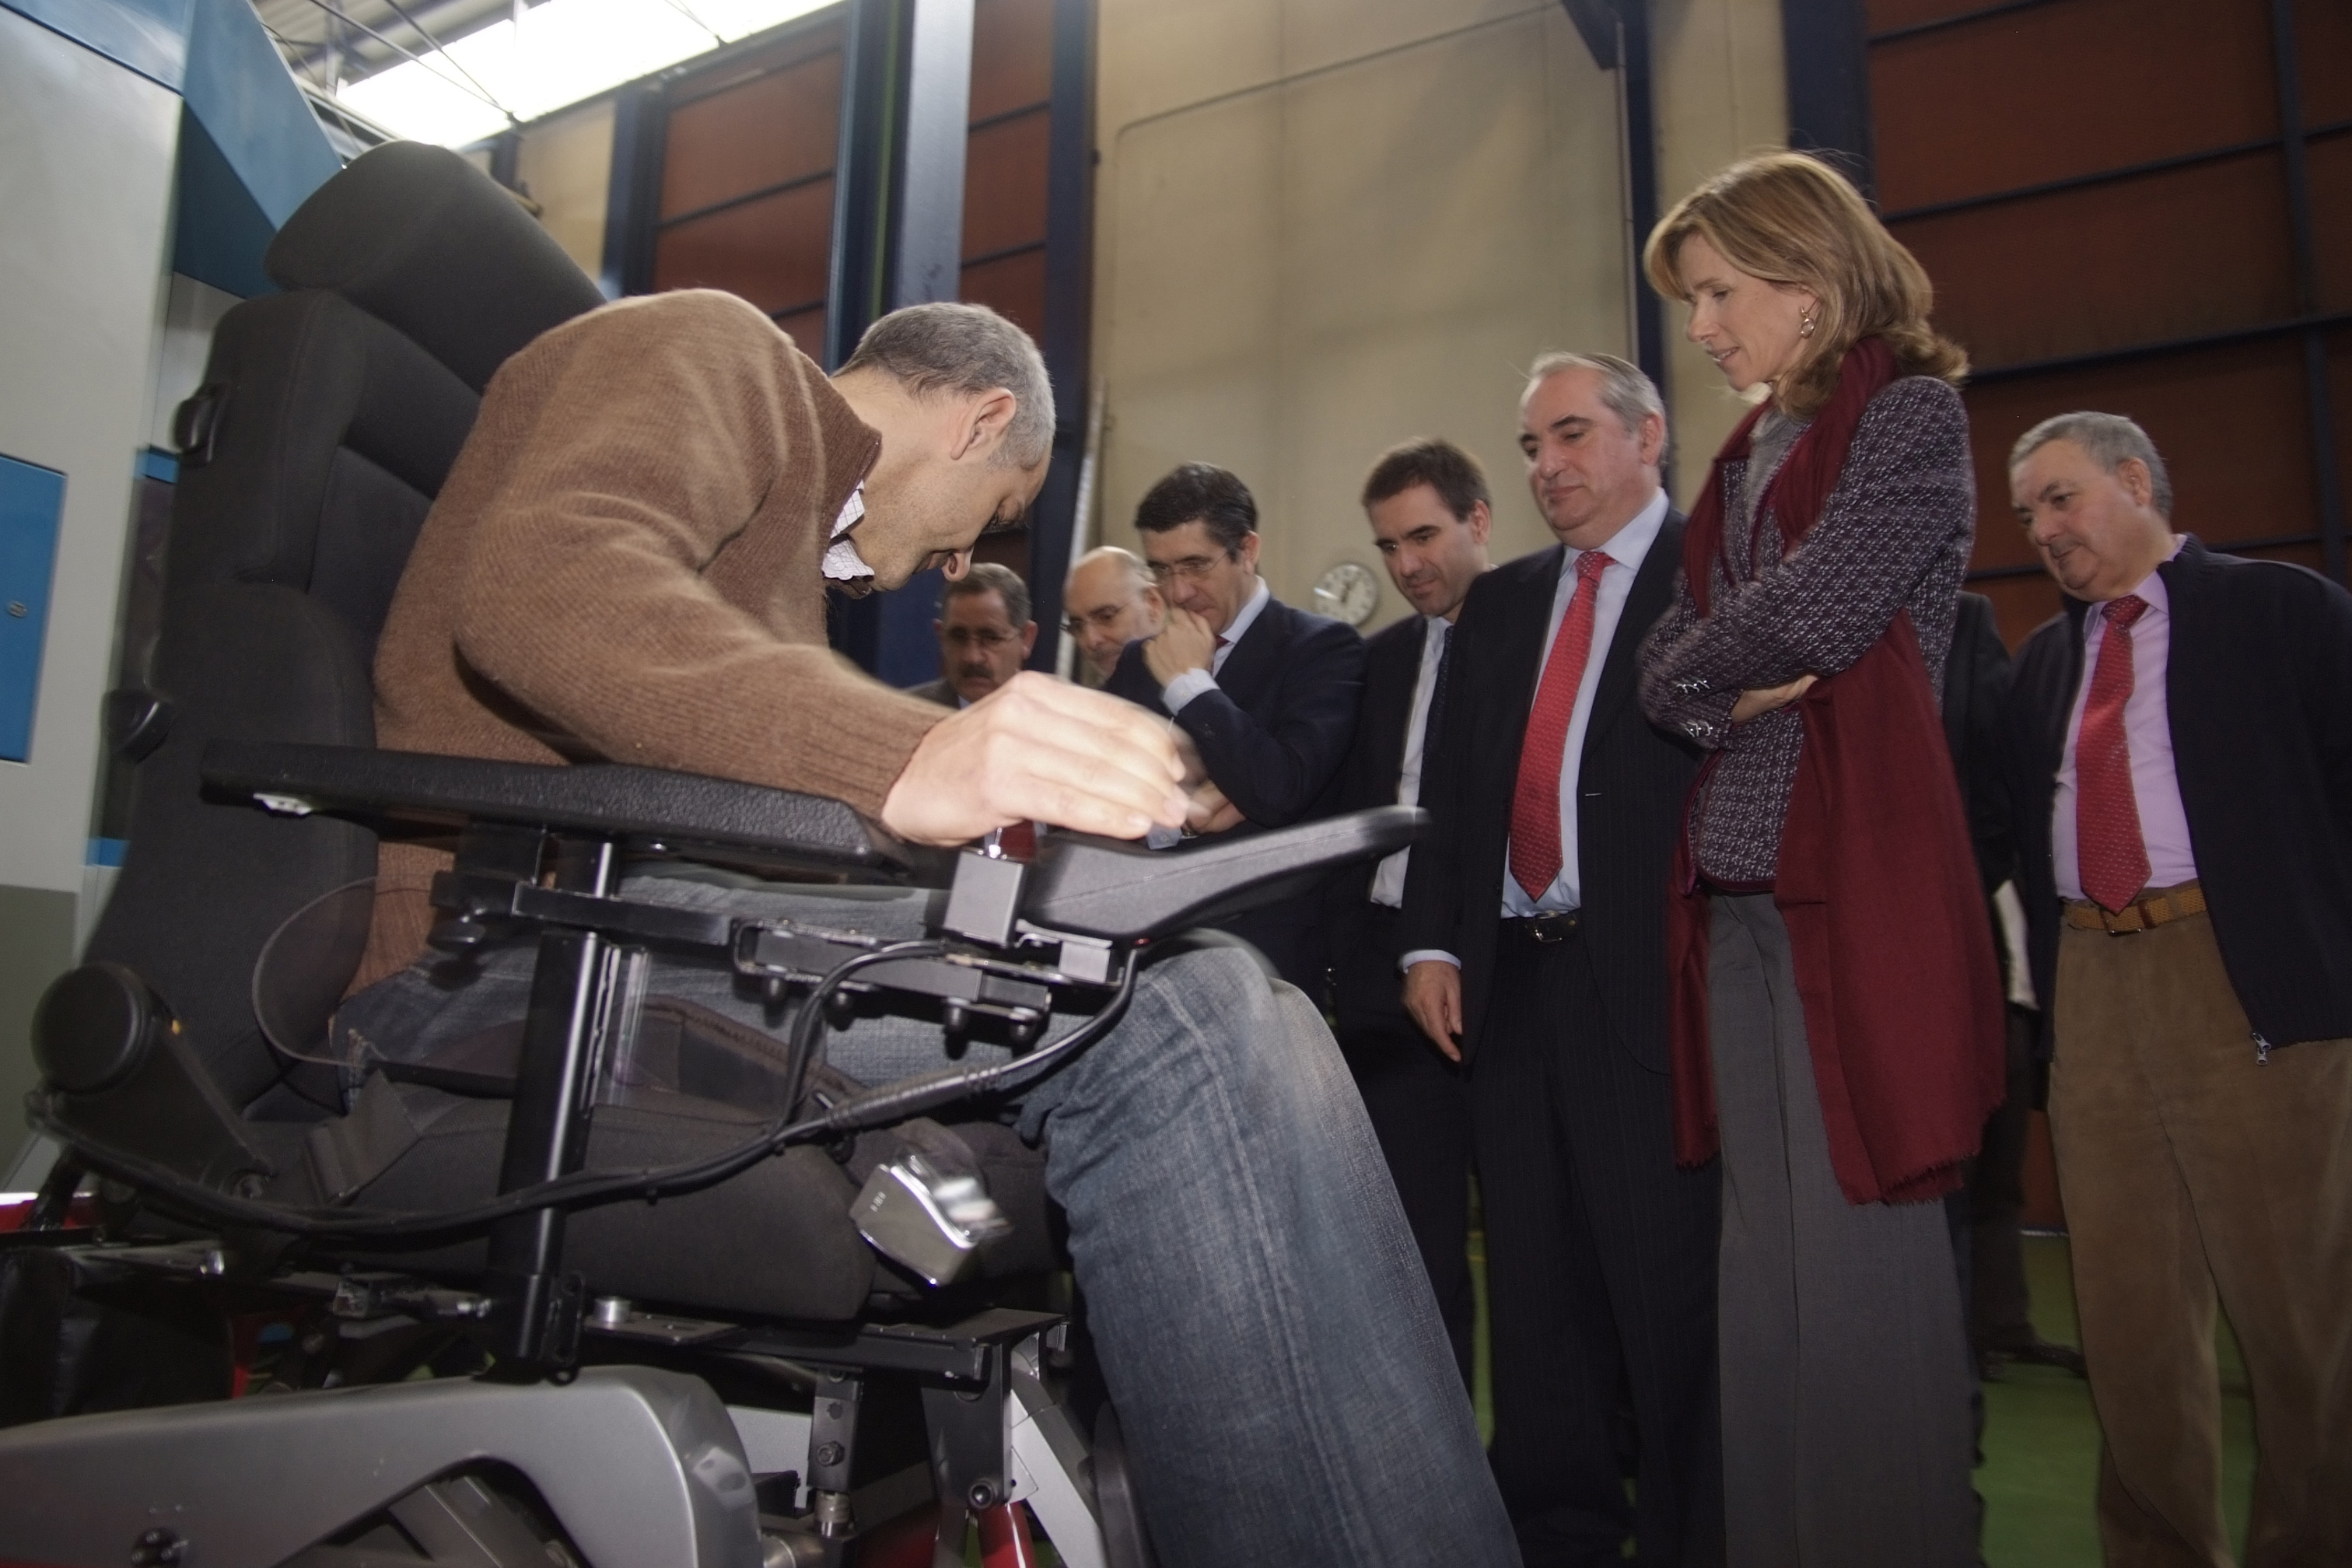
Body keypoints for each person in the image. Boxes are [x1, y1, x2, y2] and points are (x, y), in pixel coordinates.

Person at [348, 290, 1517, 1567]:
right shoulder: (713, 342)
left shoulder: (778, 552)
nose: (961, 560)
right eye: (994, 513)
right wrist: (912, 753)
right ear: (979, 420)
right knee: (1178, 1025)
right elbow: (545, 587)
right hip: (497, 956)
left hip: (617, 927)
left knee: (1229, 994)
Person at [1636, 151, 2003, 1566]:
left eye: (1718, 293)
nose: (1703, 327)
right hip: (1736, 891)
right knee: (1765, 1262)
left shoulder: (1907, 417)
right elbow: (1662, 665)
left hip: (1851, 885)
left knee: (1859, 1251)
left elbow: (1826, 606)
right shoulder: (1747, 457)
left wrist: (1703, 672)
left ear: (1808, 279)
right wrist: (1712, 687)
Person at [2001, 411, 2352, 1566]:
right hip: (2091, 985)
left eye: (2061, 499)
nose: (2043, 531)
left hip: (2243, 980)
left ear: (2137, 481)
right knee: (2129, 1318)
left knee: (2299, 1316)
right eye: (2028, 516)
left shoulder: (2283, 611)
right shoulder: (2045, 663)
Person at [1400, 359, 1721, 1566]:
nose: (1547, 467)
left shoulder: (1714, 581)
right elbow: (1451, 786)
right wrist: (1432, 937)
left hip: (1650, 983)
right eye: (1533, 445)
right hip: (1510, 987)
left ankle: (1694, 1535)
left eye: (1572, 435)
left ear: (1649, 436)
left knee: (1667, 1289)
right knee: (1534, 1293)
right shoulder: (1500, 606)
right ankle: (1558, 1533)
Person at [1321, 436, 1493, 1389]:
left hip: (1507, 966)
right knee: (1415, 1253)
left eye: (1423, 537)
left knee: (1540, 1242)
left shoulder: (1533, 640)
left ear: (1479, 521)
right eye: (1389, 546)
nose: (1406, 565)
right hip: (1385, 981)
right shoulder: (1380, 661)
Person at [1104, 463, 1365, 991]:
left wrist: (1189, 687)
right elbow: (1099, 795)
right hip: (1141, 953)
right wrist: (1182, 813)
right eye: (1161, 570)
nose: (1178, 592)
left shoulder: (1321, 649)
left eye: (1195, 566)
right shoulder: (1139, 660)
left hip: (1262, 963)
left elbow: (1278, 790)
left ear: (1247, 551)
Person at [906, 561, 1035, 706]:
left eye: (991, 638)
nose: (972, 658)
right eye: (958, 637)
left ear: (1026, 638)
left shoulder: (1052, 713)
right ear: (941, 636)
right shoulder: (905, 712)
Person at [1062, 545, 1165, 684]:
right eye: (1078, 627)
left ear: (1153, 603)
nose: (1091, 641)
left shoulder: (1191, 691)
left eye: (1106, 617)